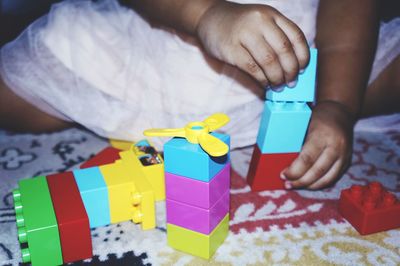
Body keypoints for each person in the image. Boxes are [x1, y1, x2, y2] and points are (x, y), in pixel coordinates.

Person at [0, 0, 399, 190]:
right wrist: (206, 14)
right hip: (152, 48)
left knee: (376, 67)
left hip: (296, 65)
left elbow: (348, 12)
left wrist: (336, 105)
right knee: (13, 96)